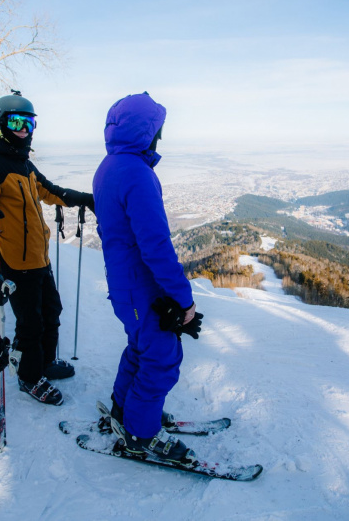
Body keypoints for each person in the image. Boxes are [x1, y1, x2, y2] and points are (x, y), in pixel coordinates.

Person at [0, 92, 94, 406]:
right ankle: (30, 377)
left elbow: (51, 191)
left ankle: (44, 362)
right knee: (30, 323)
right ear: (1, 126)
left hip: (39, 259)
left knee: (52, 312)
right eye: (16, 121)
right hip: (14, 263)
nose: (24, 129)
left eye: (29, 122)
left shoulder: (24, 163)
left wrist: (87, 198)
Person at [92, 92, 204, 463]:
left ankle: (126, 412)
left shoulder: (108, 166)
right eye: (158, 129)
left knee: (141, 349)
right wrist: (183, 300)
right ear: (146, 131)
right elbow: (155, 245)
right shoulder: (137, 174)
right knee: (160, 358)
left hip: (125, 285)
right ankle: (141, 434)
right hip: (142, 286)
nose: (161, 137)